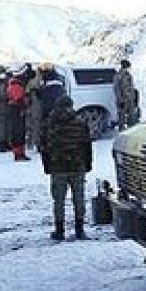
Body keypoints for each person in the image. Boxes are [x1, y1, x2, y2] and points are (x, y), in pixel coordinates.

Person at [39, 95, 93, 240]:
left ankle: (59, 230)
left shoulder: (49, 123)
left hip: (57, 167)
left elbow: (43, 147)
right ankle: (80, 229)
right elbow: (87, 145)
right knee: (79, 199)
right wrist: (88, 164)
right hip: (77, 165)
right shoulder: (80, 123)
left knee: (58, 201)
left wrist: (47, 167)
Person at [5, 63, 34, 161]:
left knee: (19, 132)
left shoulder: (14, 83)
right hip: (17, 110)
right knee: (18, 132)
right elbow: (18, 98)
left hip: (17, 109)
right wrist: (26, 100)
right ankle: (18, 154)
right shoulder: (16, 84)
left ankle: (20, 153)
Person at [113, 59, 139, 129]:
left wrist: (134, 97)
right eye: (127, 67)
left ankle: (131, 130)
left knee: (132, 117)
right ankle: (122, 132)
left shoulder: (129, 75)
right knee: (122, 118)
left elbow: (131, 87)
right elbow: (116, 89)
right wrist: (120, 100)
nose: (127, 69)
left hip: (130, 99)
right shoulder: (118, 76)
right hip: (123, 100)